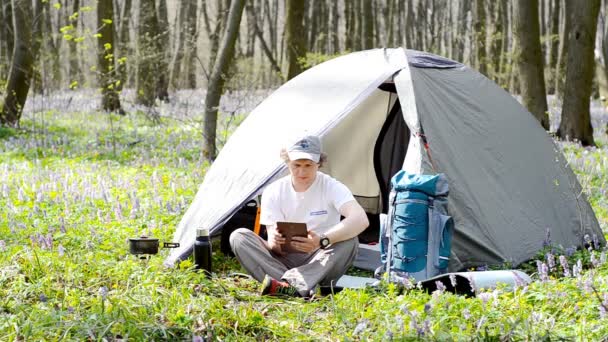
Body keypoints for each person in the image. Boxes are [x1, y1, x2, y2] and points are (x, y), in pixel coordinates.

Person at [229, 135, 369, 297]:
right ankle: (296, 287)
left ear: (319, 163)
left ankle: (287, 286)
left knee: (350, 240)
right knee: (239, 237)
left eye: (308, 165)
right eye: (296, 165)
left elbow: (360, 219)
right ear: (287, 162)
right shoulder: (274, 190)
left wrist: (322, 240)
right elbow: (273, 245)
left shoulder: (332, 186)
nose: (302, 172)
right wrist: (276, 242)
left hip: (319, 257)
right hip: (283, 258)